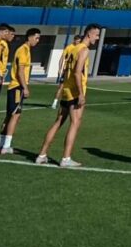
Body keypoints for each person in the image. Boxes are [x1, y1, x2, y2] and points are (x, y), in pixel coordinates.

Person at [35, 25, 101, 168]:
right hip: (75, 92)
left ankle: (41, 155)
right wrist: (81, 94)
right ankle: (66, 158)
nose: (98, 38)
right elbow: (77, 72)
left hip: (66, 90)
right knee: (75, 123)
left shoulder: (73, 48)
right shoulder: (84, 50)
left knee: (58, 122)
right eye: (96, 35)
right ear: (89, 34)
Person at [0, 28, 39, 155]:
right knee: (15, 116)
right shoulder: (23, 50)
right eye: (36, 38)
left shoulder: (25, 50)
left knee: (10, 116)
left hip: (15, 87)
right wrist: (25, 87)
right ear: (29, 37)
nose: (37, 41)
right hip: (17, 87)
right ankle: (6, 146)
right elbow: (20, 71)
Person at [51, 34, 81, 110]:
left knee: (74, 87)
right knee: (61, 87)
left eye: (79, 41)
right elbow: (62, 58)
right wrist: (60, 69)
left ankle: (71, 102)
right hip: (66, 71)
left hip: (74, 72)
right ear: (74, 40)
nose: (78, 42)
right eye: (77, 40)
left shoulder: (79, 48)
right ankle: (55, 102)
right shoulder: (69, 47)